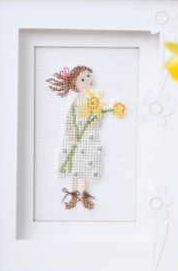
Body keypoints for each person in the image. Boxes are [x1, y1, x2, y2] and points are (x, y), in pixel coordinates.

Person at [46, 65, 125, 210]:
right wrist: (72, 134)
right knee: (76, 166)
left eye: (88, 76)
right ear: (75, 84)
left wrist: (97, 118)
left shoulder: (93, 98)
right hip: (76, 139)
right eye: (83, 79)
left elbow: (96, 118)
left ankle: (86, 196)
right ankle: (73, 196)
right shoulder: (78, 100)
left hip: (89, 139)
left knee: (88, 166)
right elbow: (71, 119)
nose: (88, 79)